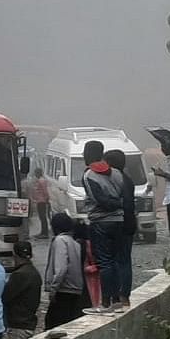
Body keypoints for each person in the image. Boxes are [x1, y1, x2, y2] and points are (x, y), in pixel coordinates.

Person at [81, 140, 127, 313]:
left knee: (104, 262)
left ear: (88, 154)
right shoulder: (116, 173)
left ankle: (106, 303)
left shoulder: (88, 175)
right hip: (118, 221)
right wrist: (118, 204)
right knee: (114, 260)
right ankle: (116, 301)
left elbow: (99, 199)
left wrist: (111, 204)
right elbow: (121, 197)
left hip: (100, 222)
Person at [104, 149, 136, 308]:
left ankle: (119, 295)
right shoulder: (127, 180)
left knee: (118, 260)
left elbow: (125, 204)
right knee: (124, 259)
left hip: (119, 224)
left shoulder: (115, 180)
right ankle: (123, 295)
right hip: (128, 224)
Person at [44, 213, 86, 329]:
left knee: (52, 325)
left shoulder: (60, 240)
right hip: (76, 290)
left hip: (63, 290)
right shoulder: (75, 243)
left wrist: (53, 289)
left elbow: (61, 267)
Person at [2, 240, 41, 339]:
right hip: (29, 322)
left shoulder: (19, 275)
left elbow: (5, 296)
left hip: (19, 324)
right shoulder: (34, 272)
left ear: (15, 255)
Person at [30, 168, 51, 239]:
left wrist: (47, 199)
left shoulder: (41, 181)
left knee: (43, 217)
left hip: (42, 201)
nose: (35, 175)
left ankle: (45, 233)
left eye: (36, 173)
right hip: (40, 200)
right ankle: (43, 232)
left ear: (38, 173)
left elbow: (45, 191)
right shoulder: (41, 180)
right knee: (42, 217)